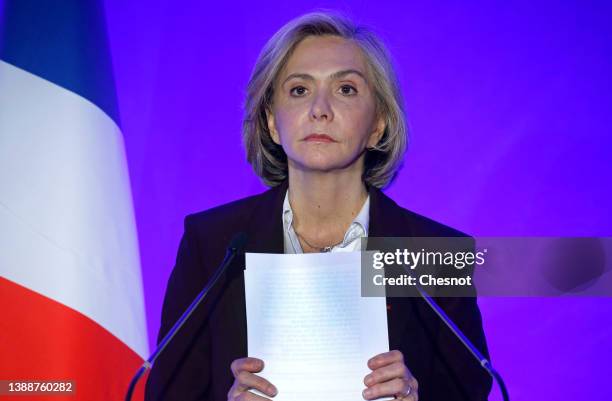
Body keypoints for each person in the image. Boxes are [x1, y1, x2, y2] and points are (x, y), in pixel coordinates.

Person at [145, 10, 492, 401]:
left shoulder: (432, 253)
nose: (320, 109)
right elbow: (166, 393)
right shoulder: (213, 244)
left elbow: (469, 390)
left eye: (346, 89)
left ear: (378, 123)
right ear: (273, 122)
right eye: (299, 90)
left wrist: (417, 397)